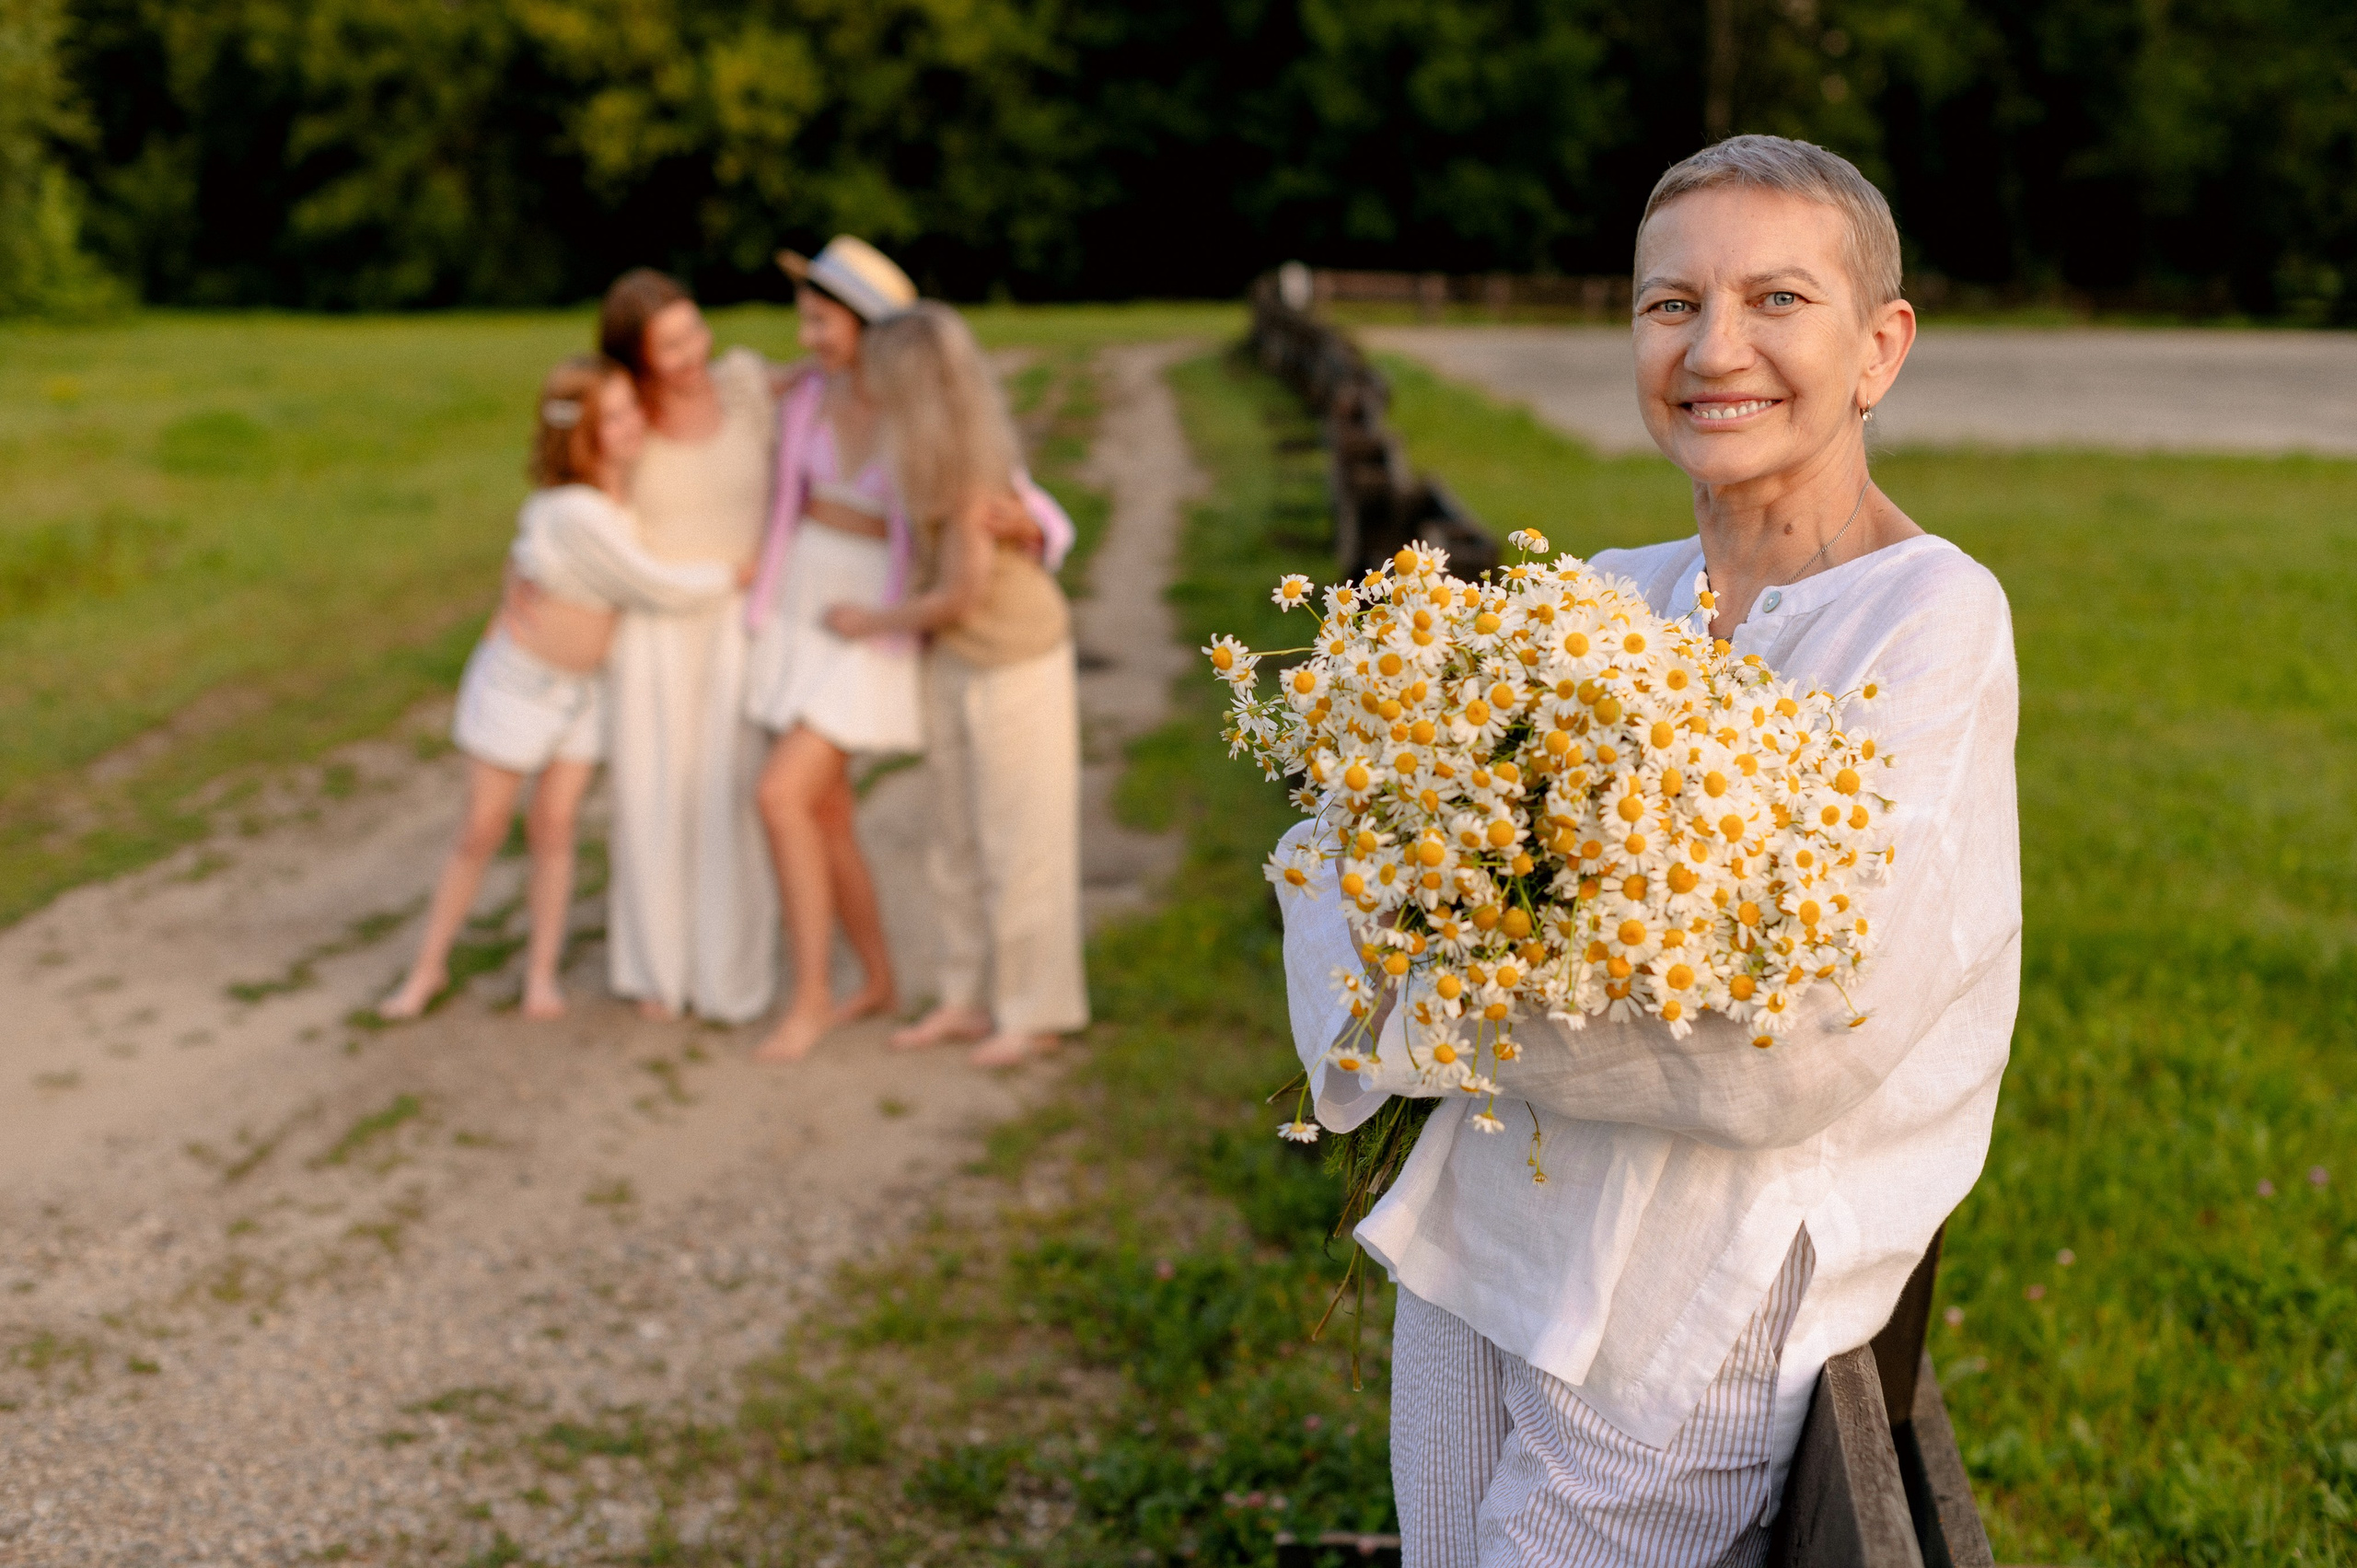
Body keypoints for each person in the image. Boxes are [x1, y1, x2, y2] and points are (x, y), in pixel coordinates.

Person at [1277, 135, 2022, 1565]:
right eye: (1669, 302)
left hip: (1703, 1276)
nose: (1713, 346)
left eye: (1777, 300)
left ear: (1881, 347)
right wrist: (1451, 938)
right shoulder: (1612, 596)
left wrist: (1436, 1007)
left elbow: (1804, 1036)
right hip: (1492, 1230)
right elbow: (1337, 851)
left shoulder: (1927, 620)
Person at [383, 356, 738, 1022]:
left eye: (633, 409)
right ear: (583, 433)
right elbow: (651, 583)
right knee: (482, 827)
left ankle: (541, 973)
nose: (633, 426)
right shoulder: (575, 512)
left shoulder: (621, 496)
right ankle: (427, 966)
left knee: (556, 825)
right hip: (522, 682)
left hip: (585, 691)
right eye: (614, 418)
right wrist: (731, 575)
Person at [820, 302, 1089, 1068]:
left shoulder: (973, 470)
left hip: (1014, 655)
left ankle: (1033, 1011)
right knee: (954, 837)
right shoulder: (916, 455)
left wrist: (868, 621)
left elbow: (962, 594)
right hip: (955, 659)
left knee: (1020, 840)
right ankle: (965, 997)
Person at [740, 237, 924, 1063]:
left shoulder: (917, 409)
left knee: (780, 796)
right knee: (826, 808)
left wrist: (1037, 532)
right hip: (801, 601)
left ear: (865, 327)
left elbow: (1014, 491)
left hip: (868, 615)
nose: (806, 335)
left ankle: (811, 993)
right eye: (803, 319)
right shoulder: (801, 396)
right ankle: (879, 978)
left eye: (820, 321)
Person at [594, 270, 780, 1023]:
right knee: (651, 797)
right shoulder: (622, 415)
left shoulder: (744, 384)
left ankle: (729, 965)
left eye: (693, 329)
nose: (693, 351)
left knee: (731, 794)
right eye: (670, 345)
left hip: (739, 623)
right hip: (654, 629)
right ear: (636, 355)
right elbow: (581, 508)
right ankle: (656, 968)